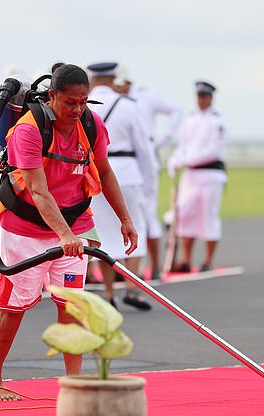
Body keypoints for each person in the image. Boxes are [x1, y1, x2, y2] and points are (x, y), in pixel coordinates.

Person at [0, 63, 138, 401]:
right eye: (70, 103)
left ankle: (74, 385)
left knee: (71, 305)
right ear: (52, 96)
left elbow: (105, 171)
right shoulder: (29, 129)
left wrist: (124, 218)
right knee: (15, 306)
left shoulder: (91, 123)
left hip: (75, 224)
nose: (77, 110)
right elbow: (38, 191)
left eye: (83, 102)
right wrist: (64, 235)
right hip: (25, 227)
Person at [87, 62, 154, 310]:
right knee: (135, 227)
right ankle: (131, 289)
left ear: (93, 79)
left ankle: (107, 293)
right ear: (113, 78)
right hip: (127, 173)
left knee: (103, 234)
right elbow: (144, 149)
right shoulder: (128, 106)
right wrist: (149, 182)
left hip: (95, 172)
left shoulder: (85, 104)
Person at [114, 64, 183, 280]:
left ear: (129, 82)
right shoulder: (116, 102)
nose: (119, 88)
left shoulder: (146, 98)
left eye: (122, 84)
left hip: (145, 157)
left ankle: (154, 266)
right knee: (118, 217)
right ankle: (121, 269)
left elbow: (176, 110)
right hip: (124, 161)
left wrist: (164, 138)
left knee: (147, 214)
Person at [166, 81, 227, 272]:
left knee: (208, 216)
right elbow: (183, 146)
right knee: (184, 216)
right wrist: (175, 160)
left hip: (210, 173)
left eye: (204, 96)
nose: (201, 100)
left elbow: (213, 150)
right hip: (191, 174)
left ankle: (207, 260)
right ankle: (186, 258)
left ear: (211, 98)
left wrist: (188, 159)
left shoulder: (218, 121)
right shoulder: (190, 120)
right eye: (198, 96)